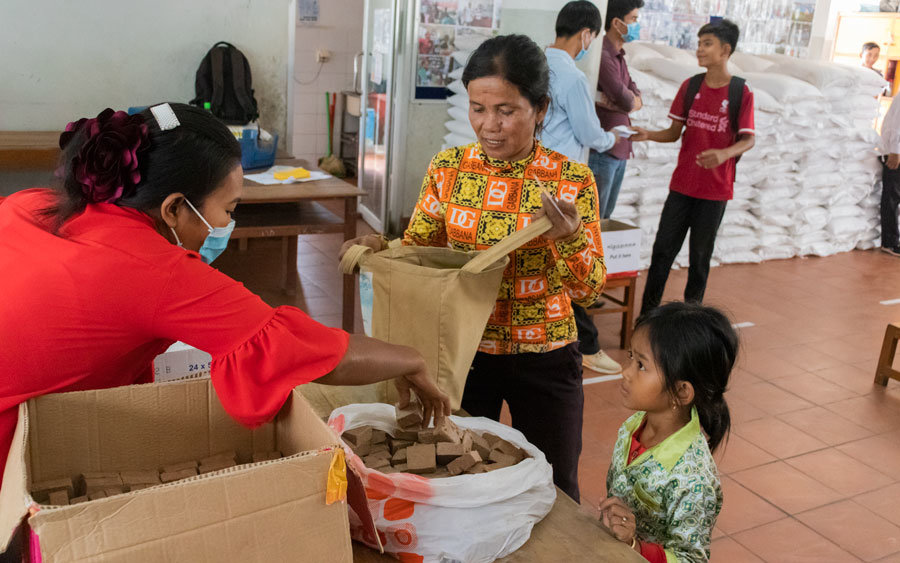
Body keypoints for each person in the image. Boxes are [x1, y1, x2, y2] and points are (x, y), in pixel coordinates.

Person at [0, 104, 451, 492]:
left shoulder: (29, 203)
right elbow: (293, 347)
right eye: (230, 210)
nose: (228, 226)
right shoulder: (156, 269)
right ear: (174, 208)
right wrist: (409, 358)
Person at [342, 34, 607, 501]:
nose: (489, 125)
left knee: (555, 482)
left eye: (506, 110)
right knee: (456, 471)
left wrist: (568, 238)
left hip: (543, 354)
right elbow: (421, 248)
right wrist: (384, 248)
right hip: (462, 350)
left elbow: (588, 291)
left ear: (541, 108)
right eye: (477, 108)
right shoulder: (450, 168)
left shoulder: (571, 181)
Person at [632, 19, 755, 314]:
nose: (699, 49)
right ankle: (647, 318)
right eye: (699, 43)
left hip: (715, 191)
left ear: (725, 49)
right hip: (682, 187)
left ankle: (690, 321)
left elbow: (748, 140)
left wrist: (724, 154)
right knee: (662, 252)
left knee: (699, 258)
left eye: (707, 44)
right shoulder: (690, 87)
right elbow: (674, 133)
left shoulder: (741, 93)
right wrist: (649, 134)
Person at [599, 302, 734, 563]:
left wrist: (634, 545)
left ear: (682, 391)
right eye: (630, 356)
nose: (625, 371)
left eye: (641, 365)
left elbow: (691, 559)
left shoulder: (693, 479)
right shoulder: (634, 424)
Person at [540, 0, 622, 376]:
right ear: (587, 34)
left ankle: (577, 337)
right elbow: (589, 133)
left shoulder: (536, 66)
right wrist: (613, 137)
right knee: (571, 261)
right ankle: (586, 343)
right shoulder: (572, 77)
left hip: (533, 174)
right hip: (561, 182)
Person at [592, 0, 645, 220]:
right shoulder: (603, 56)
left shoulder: (619, 56)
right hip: (603, 151)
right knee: (596, 220)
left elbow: (636, 96)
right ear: (617, 23)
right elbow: (625, 98)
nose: (637, 25)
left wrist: (630, 101)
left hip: (619, 150)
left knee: (606, 218)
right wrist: (628, 101)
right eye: (633, 19)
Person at [879, 95, 900, 256]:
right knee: (892, 196)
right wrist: (895, 151)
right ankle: (890, 242)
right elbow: (897, 124)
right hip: (895, 154)